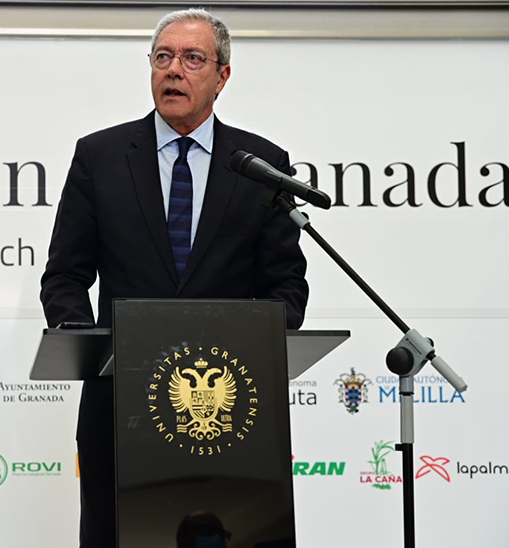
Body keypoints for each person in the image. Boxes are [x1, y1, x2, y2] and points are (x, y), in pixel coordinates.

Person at [39, 8, 309, 548]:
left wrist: (251, 338)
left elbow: (286, 287)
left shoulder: (261, 165)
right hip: (121, 412)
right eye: (162, 57)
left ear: (222, 76)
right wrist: (89, 342)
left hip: (231, 412)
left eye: (191, 58)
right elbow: (65, 275)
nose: (173, 70)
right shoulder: (100, 156)